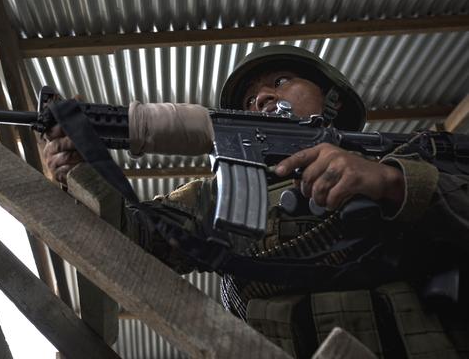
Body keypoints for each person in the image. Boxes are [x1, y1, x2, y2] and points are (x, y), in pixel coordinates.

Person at [43, 45, 469, 358]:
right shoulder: (221, 192)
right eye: (250, 100)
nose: (262, 98)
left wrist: (392, 182)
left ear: (333, 99)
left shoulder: (404, 157)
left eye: (280, 82)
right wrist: (82, 170)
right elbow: (125, 239)